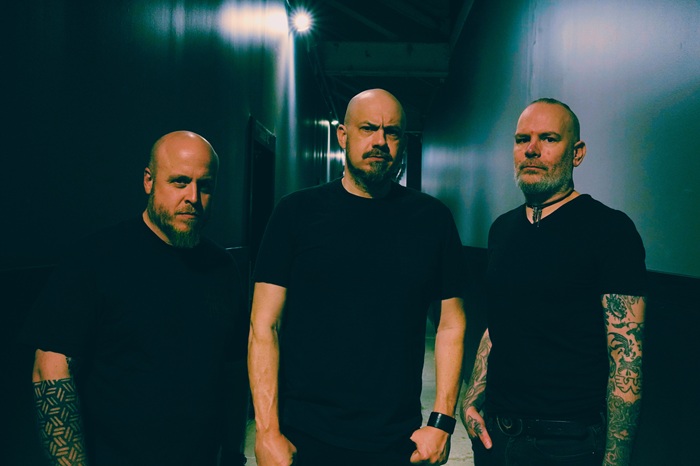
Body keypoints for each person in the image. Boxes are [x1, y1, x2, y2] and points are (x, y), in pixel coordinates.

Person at [248, 89, 468, 466]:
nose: (380, 141)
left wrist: (442, 423)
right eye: (368, 128)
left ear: (403, 141)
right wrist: (267, 431)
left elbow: (451, 324)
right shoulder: (295, 213)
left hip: (397, 440)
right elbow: (264, 325)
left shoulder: (432, 219)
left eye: (392, 131)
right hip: (305, 435)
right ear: (343, 135)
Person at [24, 131, 249, 465]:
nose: (193, 197)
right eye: (179, 182)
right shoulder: (96, 259)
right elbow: (51, 370)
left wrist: (233, 454)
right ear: (148, 180)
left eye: (205, 186)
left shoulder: (223, 268)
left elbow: (233, 371)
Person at [460, 98, 647, 466]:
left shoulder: (610, 230)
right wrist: (471, 399)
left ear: (577, 153)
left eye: (548, 138)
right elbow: (499, 324)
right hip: (496, 435)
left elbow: (627, 356)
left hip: (567, 442)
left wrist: (616, 459)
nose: (532, 149)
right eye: (522, 139)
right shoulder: (502, 229)